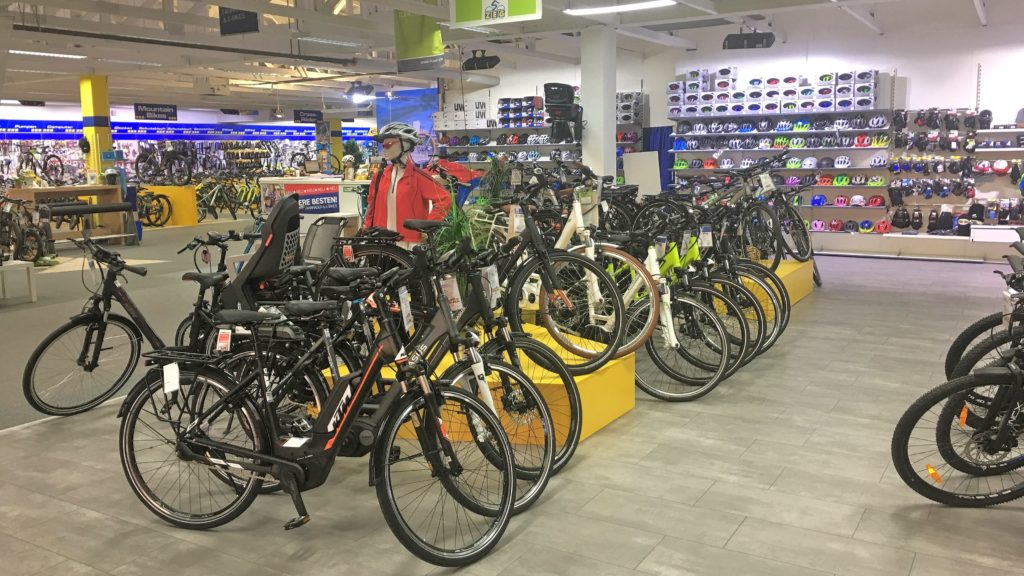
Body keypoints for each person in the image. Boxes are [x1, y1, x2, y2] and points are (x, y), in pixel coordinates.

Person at [363, 122, 451, 244]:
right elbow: (371, 207)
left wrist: (427, 227)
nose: (384, 149)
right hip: (382, 242)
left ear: (405, 145)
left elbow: (444, 199)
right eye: (383, 145)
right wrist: (366, 229)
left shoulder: (418, 177)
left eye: (388, 144)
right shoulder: (379, 177)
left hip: (408, 242)